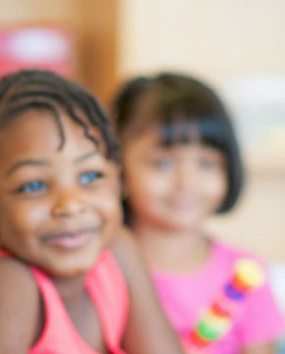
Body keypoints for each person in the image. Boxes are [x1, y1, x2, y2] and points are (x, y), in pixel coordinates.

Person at [0, 70, 184, 353]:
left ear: (119, 181)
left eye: (90, 177)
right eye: (33, 185)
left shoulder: (120, 252)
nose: (71, 204)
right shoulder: (4, 282)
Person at [113, 72, 285, 353]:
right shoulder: (103, 269)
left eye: (206, 163)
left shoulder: (244, 272)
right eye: (163, 163)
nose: (187, 182)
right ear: (118, 168)